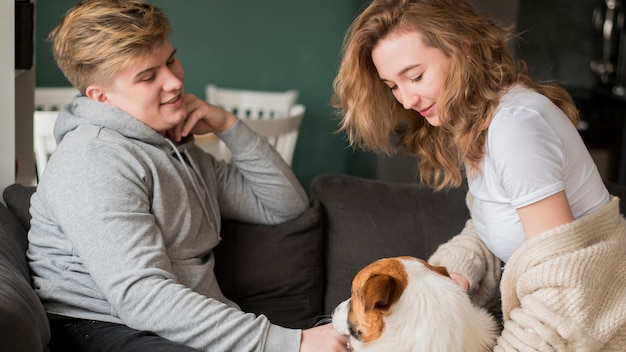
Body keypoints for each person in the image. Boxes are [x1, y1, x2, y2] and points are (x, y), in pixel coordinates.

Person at [27, 1, 348, 351]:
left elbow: (284, 207)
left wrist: (229, 126)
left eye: (170, 60)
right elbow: (141, 298)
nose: (174, 81)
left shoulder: (176, 147)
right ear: (100, 96)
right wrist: (291, 342)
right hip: (102, 328)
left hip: (170, 325)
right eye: (148, 76)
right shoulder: (93, 159)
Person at [332, 0, 626, 349]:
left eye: (415, 76)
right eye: (393, 86)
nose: (407, 99)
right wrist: (444, 278)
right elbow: (496, 228)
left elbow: (560, 284)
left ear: (462, 49)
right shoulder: (481, 124)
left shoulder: (515, 128)